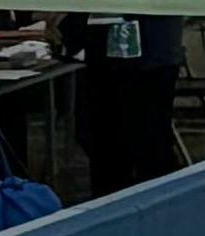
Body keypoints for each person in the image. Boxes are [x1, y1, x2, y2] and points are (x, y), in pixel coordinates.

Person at [57, 13, 183, 199]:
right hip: (104, 55)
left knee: (147, 148)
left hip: (148, 56)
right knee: (106, 151)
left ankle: (156, 206)